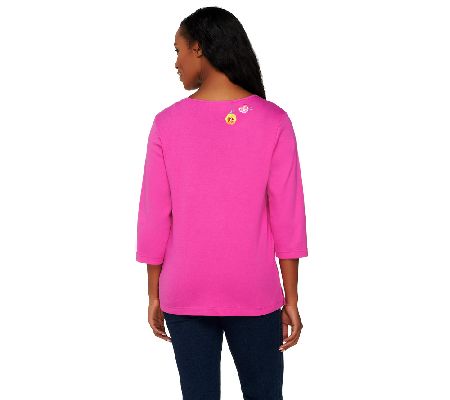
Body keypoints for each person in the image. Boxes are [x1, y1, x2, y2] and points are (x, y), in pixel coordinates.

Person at [136, 6, 308, 400]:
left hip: (183, 291)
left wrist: (154, 293)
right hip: (256, 291)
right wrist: (292, 297)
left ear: (198, 48)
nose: (176, 63)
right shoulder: (273, 120)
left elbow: (153, 217)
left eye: (178, 50)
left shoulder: (167, 123)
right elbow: (288, 216)